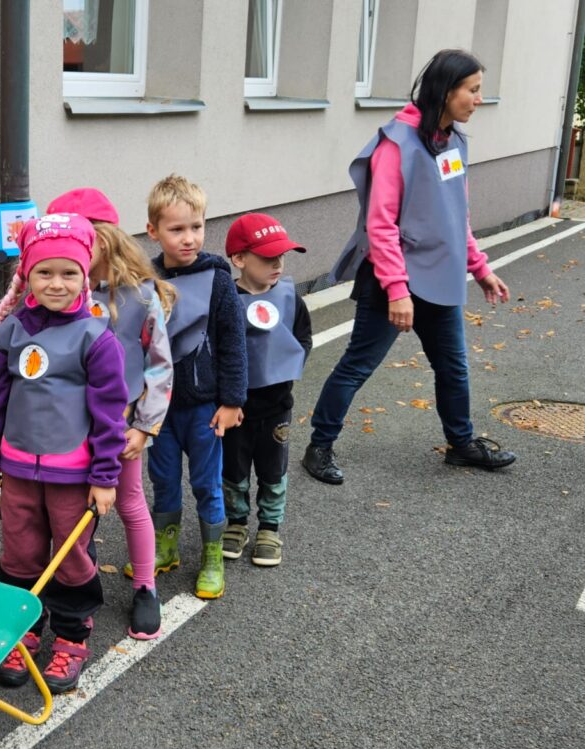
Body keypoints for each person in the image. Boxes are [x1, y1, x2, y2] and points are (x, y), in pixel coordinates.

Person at [302, 49, 516, 485]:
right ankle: (318, 446)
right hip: (392, 280)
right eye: (473, 90)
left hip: (439, 277)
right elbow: (380, 225)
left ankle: (461, 445)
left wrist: (480, 268)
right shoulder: (396, 144)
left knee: (453, 368)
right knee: (357, 365)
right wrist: (398, 291)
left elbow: (457, 216)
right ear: (447, 90)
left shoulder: (453, 141)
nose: (479, 100)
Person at [0, 213, 128, 694]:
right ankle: (23, 628)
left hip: (72, 475)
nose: (56, 283)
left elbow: (109, 415)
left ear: (85, 275)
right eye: (44, 272)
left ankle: (71, 635)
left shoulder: (96, 338)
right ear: (27, 275)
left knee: (70, 555)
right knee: (20, 552)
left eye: (68, 273)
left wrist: (105, 477)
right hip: (17, 468)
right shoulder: (11, 332)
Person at [46, 188, 175, 640]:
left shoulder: (139, 296)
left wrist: (144, 426)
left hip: (120, 424)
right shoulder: (56, 293)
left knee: (129, 501)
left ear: (103, 238)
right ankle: (78, 581)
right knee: (71, 507)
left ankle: (146, 586)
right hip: (65, 426)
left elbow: (159, 365)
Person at [141, 174, 247, 600]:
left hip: (205, 408)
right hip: (159, 410)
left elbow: (234, 343)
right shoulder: (145, 280)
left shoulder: (218, 280)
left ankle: (212, 556)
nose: (189, 238)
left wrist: (232, 401)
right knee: (163, 479)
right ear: (153, 231)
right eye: (177, 229)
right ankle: (165, 548)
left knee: (207, 483)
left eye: (197, 227)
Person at [221, 213, 312, 566]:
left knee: (274, 470)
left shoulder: (290, 298)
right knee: (233, 468)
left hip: (276, 405)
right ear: (239, 259)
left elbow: (302, 338)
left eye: (281, 256)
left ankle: (270, 528)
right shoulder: (225, 298)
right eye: (267, 257)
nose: (277, 264)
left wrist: (286, 368)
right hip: (236, 406)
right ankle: (237, 523)